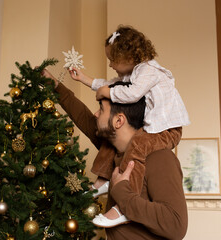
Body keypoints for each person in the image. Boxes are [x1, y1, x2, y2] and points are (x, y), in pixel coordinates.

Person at [67, 25, 190, 226]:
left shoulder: (149, 71)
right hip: (154, 128)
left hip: (167, 130)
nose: (110, 65)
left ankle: (125, 203)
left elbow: (130, 94)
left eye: (113, 60)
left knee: (137, 146)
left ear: (129, 57)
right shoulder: (133, 74)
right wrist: (84, 79)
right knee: (113, 143)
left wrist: (107, 93)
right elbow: (113, 84)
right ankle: (103, 180)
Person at [41, 73, 188, 239]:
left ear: (119, 121)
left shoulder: (159, 157)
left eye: (102, 109)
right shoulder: (111, 150)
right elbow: (83, 117)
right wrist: (55, 85)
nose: (96, 115)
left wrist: (122, 193)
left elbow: (176, 225)